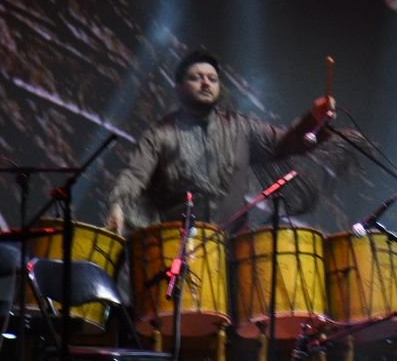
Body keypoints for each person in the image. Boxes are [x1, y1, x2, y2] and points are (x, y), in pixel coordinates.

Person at [105, 51, 335, 233]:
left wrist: (313, 120)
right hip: (179, 246)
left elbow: (286, 142)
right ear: (179, 88)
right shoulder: (160, 134)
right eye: (196, 78)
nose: (206, 83)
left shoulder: (240, 127)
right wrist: (119, 204)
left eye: (212, 79)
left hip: (231, 247)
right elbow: (135, 175)